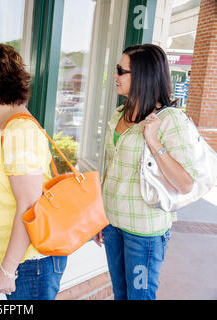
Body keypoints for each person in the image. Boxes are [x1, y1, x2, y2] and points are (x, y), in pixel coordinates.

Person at [94, 44, 197, 300]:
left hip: (145, 232)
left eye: (121, 70)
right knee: (121, 294)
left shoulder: (170, 120)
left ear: (142, 75)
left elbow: (186, 184)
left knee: (139, 297)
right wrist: (99, 216)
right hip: (113, 225)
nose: (115, 76)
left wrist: (154, 142)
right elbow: (110, 169)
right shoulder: (118, 114)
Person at [0, 44, 67, 300]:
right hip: (17, 258)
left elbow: (29, 204)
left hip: (32, 263)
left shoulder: (20, 132)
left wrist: (9, 269)